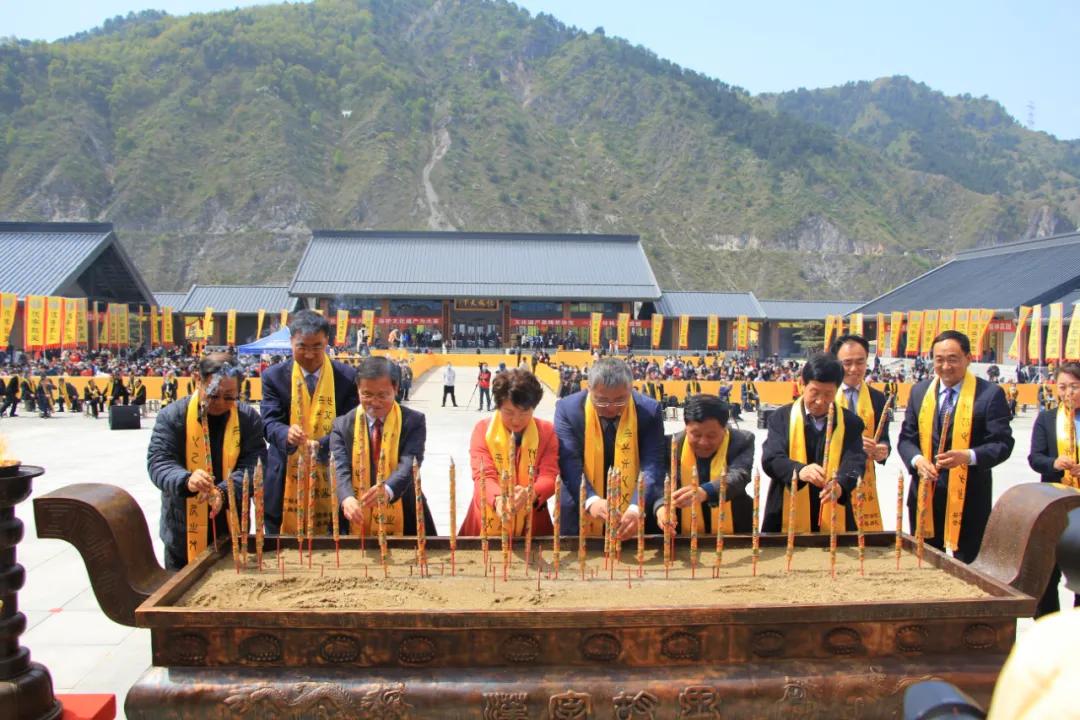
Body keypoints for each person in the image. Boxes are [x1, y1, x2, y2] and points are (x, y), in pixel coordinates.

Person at [898, 330, 1014, 563]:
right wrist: (917, 460)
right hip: (925, 493)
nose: (945, 366)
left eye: (953, 359)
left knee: (969, 564)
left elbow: (1002, 443)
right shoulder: (920, 391)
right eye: (939, 359)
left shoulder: (989, 395)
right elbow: (906, 439)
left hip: (969, 495)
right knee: (925, 561)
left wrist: (969, 456)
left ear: (968, 358)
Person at [146, 353, 265, 570]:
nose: (220, 403)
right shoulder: (172, 416)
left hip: (231, 527)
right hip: (183, 530)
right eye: (213, 395)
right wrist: (186, 480)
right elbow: (159, 461)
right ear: (197, 380)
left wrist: (222, 491)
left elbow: (255, 465)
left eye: (229, 397)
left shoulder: (248, 419)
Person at [261, 310, 359, 535]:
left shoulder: (346, 376)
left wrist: (323, 444)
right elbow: (268, 422)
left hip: (332, 469)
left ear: (327, 342)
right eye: (302, 346)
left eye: (317, 347)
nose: (309, 354)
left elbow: (350, 424)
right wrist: (286, 433)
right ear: (291, 342)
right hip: (286, 473)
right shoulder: (273, 377)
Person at [554, 358, 665, 539]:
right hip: (581, 496)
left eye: (621, 400)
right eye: (602, 401)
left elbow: (653, 464)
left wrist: (636, 507)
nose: (612, 408)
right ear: (589, 389)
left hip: (632, 498)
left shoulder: (649, 411)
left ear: (631, 389)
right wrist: (591, 500)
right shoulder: (568, 410)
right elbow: (569, 462)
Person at [761, 353, 866, 533]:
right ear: (802, 384)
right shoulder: (781, 418)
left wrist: (840, 484)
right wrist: (800, 470)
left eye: (828, 394)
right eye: (814, 393)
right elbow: (771, 458)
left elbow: (855, 461)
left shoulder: (851, 422)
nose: (820, 401)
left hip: (833, 504)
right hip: (786, 508)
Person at [330, 356, 435, 537]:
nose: (374, 402)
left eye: (382, 395)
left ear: (395, 388)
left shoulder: (413, 421)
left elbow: (410, 462)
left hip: (403, 505)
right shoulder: (342, 425)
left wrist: (387, 489)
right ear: (358, 390)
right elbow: (339, 467)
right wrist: (346, 497)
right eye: (367, 395)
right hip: (354, 510)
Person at [459, 368, 558, 536]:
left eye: (524, 412)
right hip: (487, 516)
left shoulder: (547, 432)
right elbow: (483, 474)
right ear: (498, 407)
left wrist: (531, 493)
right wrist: (498, 499)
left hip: (533, 521)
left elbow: (550, 474)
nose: (516, 420)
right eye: (509, 412)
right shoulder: (483, 430)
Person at [656, 395, 755, 534]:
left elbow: (739, 475)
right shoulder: (671, 445)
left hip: (734, 523)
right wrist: (661, 507)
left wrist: (705, 492)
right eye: (696, 435)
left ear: (724, 427)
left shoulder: (742, 440)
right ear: (686, 427)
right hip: (680, 528)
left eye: (711, 436)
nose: (703, 442)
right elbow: (660, 484)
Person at [1027, 361, 1080, 617]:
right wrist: (1054, 463)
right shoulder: (1047, 420)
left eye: (1075, 386)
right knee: (1048, 574)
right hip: (1055, 505)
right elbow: (1035, 458)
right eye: (1063, 386)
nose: (1069, 392)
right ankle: (1048, 628)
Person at [830, 334, 891, 530]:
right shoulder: (826, 395)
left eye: (860, 362)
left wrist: (882, 449)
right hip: (833, 476)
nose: (854, 369)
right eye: (847, 363)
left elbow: (884, 437)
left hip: (864, 477)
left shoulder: (878, 398)